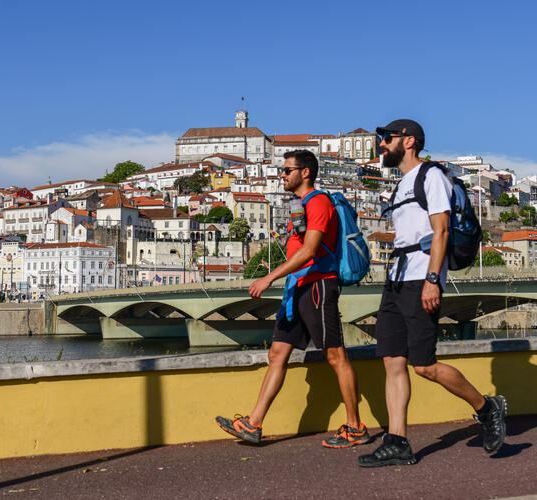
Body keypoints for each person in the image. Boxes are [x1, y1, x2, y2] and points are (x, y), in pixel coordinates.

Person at [358, 119, 507, 468]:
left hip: (419, 278)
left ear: (408, 141)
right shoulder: (400, 185)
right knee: (392, 361)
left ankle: (487, 408)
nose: (382, 145)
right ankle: (397, 441)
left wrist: (431, 279)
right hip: (396, 279)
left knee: (423, 366)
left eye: (387, 138)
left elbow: (440, 232)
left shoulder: (431, 176)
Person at [216, 149, 369, 449]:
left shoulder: (319, 202)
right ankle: (253, 423)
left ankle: (356, 427)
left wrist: (269, 277)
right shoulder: (301, 205)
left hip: (318, 287)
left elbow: (310, 249)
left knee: (336, 356)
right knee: (277, 355)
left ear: (305, 172)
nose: (281, 175)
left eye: (287, 171)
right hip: (297, 289)